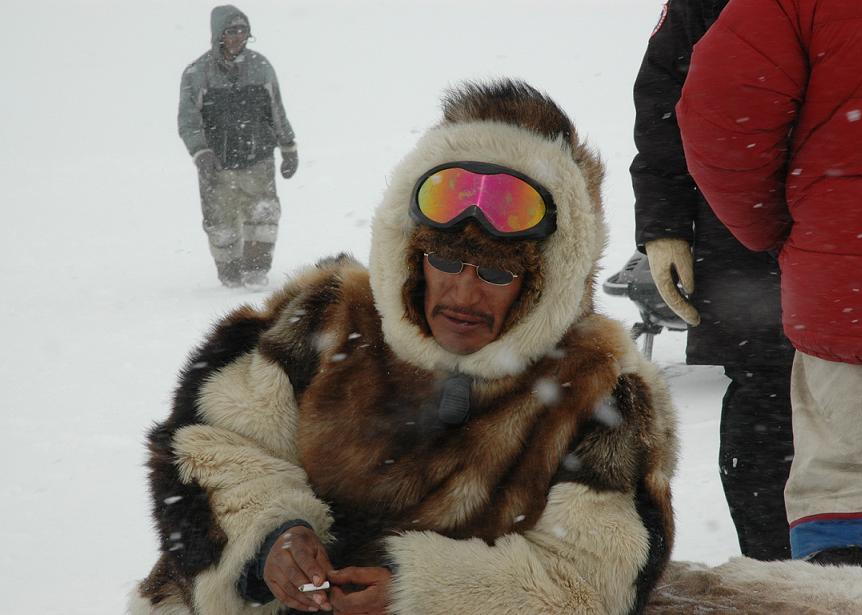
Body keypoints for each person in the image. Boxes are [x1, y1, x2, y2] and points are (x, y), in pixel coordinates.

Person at [130, 79, 679, 615]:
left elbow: (593, 580)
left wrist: (425, 593)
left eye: (494, 272)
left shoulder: (600, 386)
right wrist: (271, 538)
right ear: (412, 255)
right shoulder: (326, 315)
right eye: (443, 262)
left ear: (545, 281)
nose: (463, 294)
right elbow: (210, 446)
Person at [677, 0, 862, 577]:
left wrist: (769, 228)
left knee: (847, 492)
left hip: (848, 293)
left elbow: (720, 111)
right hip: (845, 280)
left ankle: (849, 591)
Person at [630, 0, 793, 561]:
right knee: (765, 404)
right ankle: (778, 580)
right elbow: (663, 104)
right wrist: (664, 225)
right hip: (746, 235)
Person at [178, 5, 299, 289]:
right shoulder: (197, 74)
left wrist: (288, 146)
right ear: (218, 34)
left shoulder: (261, 67)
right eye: (231, 31)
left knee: (264, 214)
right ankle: (229, 273)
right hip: (217, 165)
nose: (237, 36)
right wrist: (201, 152)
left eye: (242, 30)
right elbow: (188, 121)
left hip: (258, 159)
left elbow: (276, 110)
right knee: (221, 223)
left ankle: (256, 271)